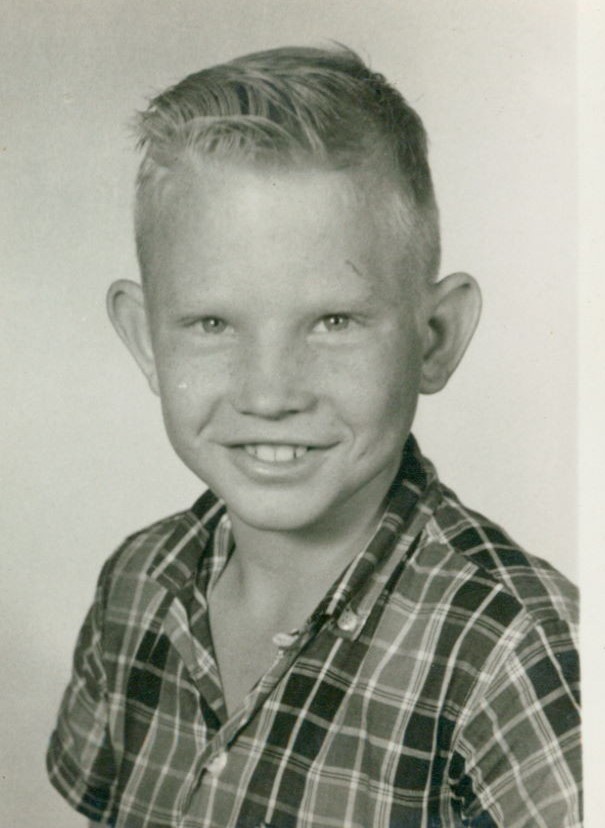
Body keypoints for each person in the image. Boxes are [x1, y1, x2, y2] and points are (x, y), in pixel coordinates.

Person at [46, 45, 581, 827]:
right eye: (211, 323)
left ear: (434, 337)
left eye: (333, 321)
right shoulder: (135, 585)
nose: (270, 393)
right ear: (145, 340)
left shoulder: (520, 655)